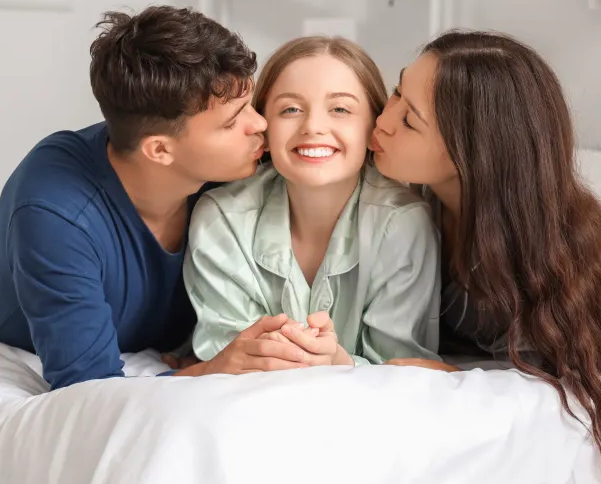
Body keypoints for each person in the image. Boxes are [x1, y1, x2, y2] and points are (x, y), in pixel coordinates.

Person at [369, 31, 601, 484]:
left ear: (472, 155)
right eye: (397, 90)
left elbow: (568, 368)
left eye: (410, 121)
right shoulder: (410, 209)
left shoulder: (548, 262)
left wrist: (458, 378)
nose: (384, 119)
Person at [0, 6, 309, 389]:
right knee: (11, 253)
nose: (261, 124)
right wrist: (214, 368)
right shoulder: (54, 213)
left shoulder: (229, 161)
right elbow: (89, 387)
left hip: (132, 302)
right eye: (232, 122)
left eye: (249, 106)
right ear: (160, 150)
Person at [183, 36, 441, 368]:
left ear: (373, 124)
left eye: (340, 109)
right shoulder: (221, 218)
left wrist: (339, 362)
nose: (313, 127)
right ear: (264, 124)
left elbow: (400, 364)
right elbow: (225, 356)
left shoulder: (403, 222)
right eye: (290, 109)